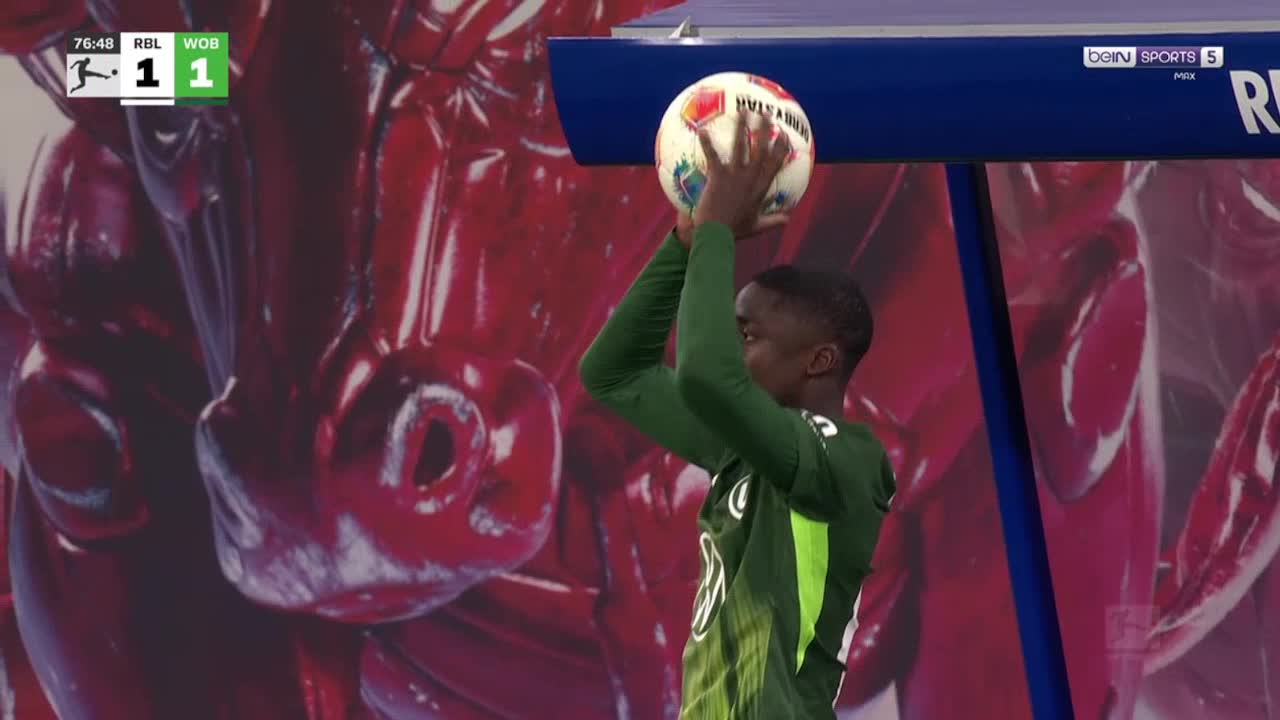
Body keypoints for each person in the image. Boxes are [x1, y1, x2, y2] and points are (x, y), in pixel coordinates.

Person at [579, 110, 896, 719]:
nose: (728, 345)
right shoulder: (743, 453)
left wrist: (717, 229)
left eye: (745, 335)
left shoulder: (847, 458)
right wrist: (685, 244)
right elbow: (614, 373)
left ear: (819, 360)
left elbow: (705, 374)